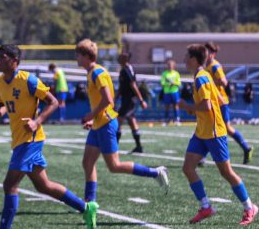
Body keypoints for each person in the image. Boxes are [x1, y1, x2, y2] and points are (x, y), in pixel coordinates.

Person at [0, 44, 97, 229]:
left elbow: (53, 102)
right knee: (44, 186)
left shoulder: (28, 80)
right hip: (19, 139)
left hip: (31, 139)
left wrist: (37, 121)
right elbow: (3, 105)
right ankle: (86, 208)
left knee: (9, 185)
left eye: (1, 56)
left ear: (14, 60)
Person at [75, 39, 169, 205]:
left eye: (78, 54)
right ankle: (90, 202)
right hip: (99, 123)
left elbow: (108, 100)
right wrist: (93, 119)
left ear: (86, 56)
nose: (76, 57)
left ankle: (155, 172)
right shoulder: (91, 72)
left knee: (114, 166)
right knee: (87, 162)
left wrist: (91, 115)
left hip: (106, 123)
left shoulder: (97, 73)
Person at [179, 44, 257, 225]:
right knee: (188, 168)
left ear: (194, 59)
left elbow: (207, 105)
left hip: (213, 132)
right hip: (202, 132)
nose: (184, 59)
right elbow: (217, 100)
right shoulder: (201, 76)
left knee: (226, 172)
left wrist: (188, 107)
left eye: (186, 56)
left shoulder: (201, 77)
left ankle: (249, 207)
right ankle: (205, 206)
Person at [205, 42, 253, 164]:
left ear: (212, 54)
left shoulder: (215, 66)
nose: (205, 54)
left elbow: (224, 81)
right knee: (209, 127)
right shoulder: (208, 66)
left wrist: (211, 84)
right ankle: (202, 157)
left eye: (207, 52)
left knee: (226, 128)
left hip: (220, 102)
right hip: (215, 102)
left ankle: (246, 148)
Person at [115, 53, 147, 153]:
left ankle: (114, 147)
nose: (118, 58)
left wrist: (141, 100)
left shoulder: (127, 70)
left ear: (125, 59)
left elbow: (133, 85)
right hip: (126, 99)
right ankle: (139, 146)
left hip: (129, 100)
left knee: (119, 120)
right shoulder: (123, 70)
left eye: (120, 57)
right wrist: (114, 99)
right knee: (131, 121)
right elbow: (121, 88)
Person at [161, 59, 181, 126]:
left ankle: (177, 120)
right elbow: (162, 83)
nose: (169, 66)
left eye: (171, 65)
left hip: (174, 92)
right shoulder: (164, 73)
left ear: (173, 66)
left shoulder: (176, 73)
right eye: (168, 65)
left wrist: (174, 83)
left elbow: (179, 83)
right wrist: (169, 84)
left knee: (176, 106)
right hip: (167, 92)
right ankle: (166, 120)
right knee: (167, 107)